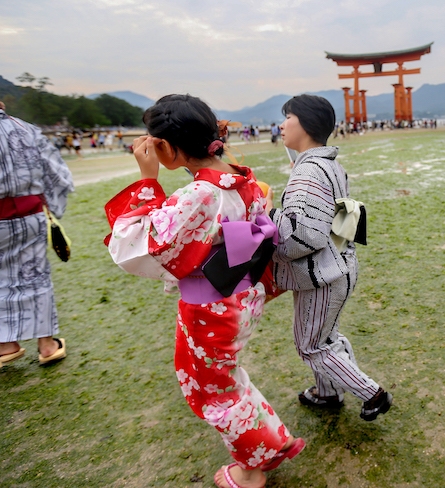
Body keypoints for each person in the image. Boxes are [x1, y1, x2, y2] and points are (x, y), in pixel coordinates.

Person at [104, 94, 304, 488]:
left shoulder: (200, 194)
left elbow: (137, 245)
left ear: (168, 147)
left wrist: (148, 181)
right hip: (240, 295)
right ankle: (269, 442)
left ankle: (252, 469)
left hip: (211, 306)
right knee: (226, 379)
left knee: (215, 392)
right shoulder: (240, 177)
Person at [270, 94, 392, 421]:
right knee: (326, 336)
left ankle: (373, 394)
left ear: (306, 124)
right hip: (339, 263)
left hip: (322, 274)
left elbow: (302, 237)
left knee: (312, 346)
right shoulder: (330, 164)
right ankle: (327, 393)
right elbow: (338, 221)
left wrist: (269, 214)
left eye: (289, 117)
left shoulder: (308, 171)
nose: (282, 124)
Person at [0, 88, 73, 369]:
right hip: (29, 216)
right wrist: (48, 203)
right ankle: (47, 345)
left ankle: (5, 344)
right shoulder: (25, 128)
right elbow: (56, 172)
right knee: (36, 276)